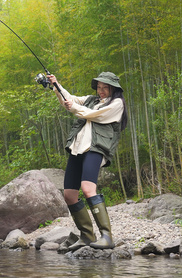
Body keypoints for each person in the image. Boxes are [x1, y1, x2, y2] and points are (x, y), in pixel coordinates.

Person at [47, 72, 127, 250]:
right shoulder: (92, 100)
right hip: (77, 148)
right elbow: (71, 99)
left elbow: (93, 115)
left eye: (105, 87)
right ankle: (87, 236)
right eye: (99, 87)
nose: (101, 91)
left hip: (96, 149)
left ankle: (107, 236)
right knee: (69, 195)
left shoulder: (117, 104)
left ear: (113, 88)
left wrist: (73, 108)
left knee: (88, 189)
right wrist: (56, 85)